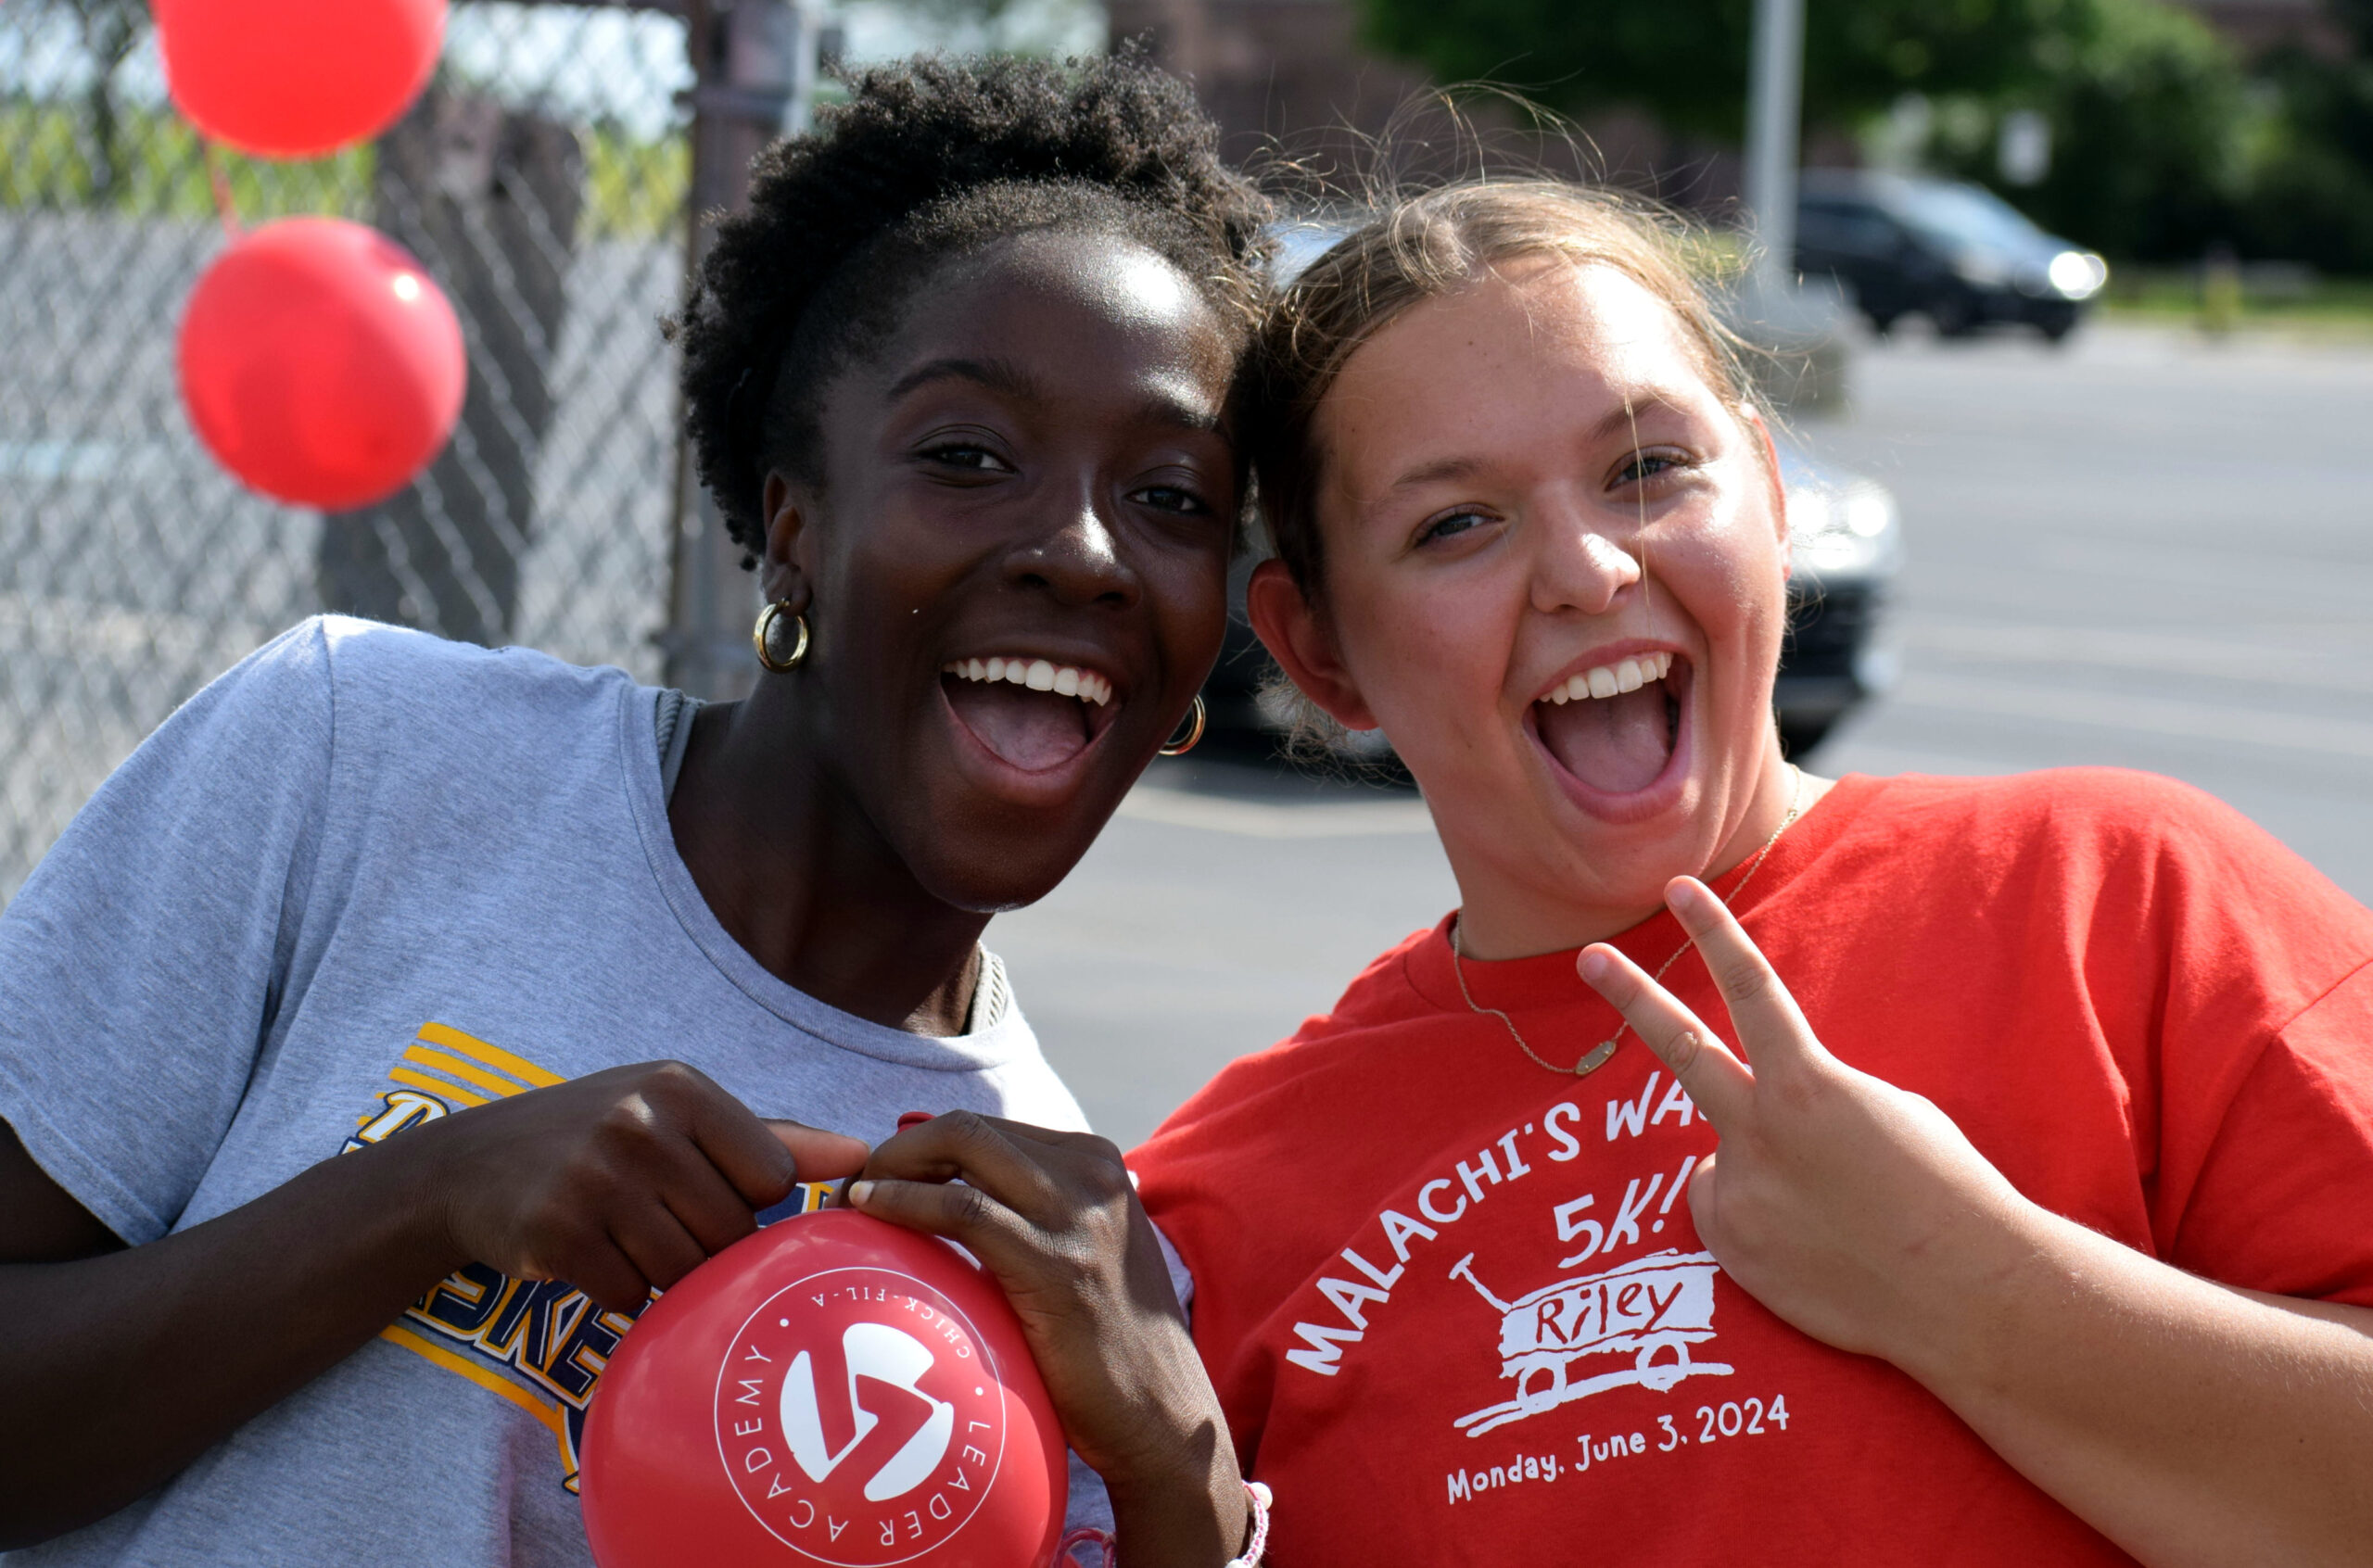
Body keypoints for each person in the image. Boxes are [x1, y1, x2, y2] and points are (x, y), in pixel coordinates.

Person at [0, 55, 1262, 1567]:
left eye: (1174, 498)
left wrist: (1176, 1488)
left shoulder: (1081, 1268)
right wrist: (430, 1194)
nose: (1082, 550)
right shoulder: (355, 754)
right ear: (793, 525)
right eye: (968, 456)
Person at [1126, 181, 2373, 1565]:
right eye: (1454, 526)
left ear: (1773, 495)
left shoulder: (2122, 903)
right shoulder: (1214, 1220)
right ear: (1319, 653)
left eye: (1649, 470)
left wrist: (1968, 1288)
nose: (1589, 570)